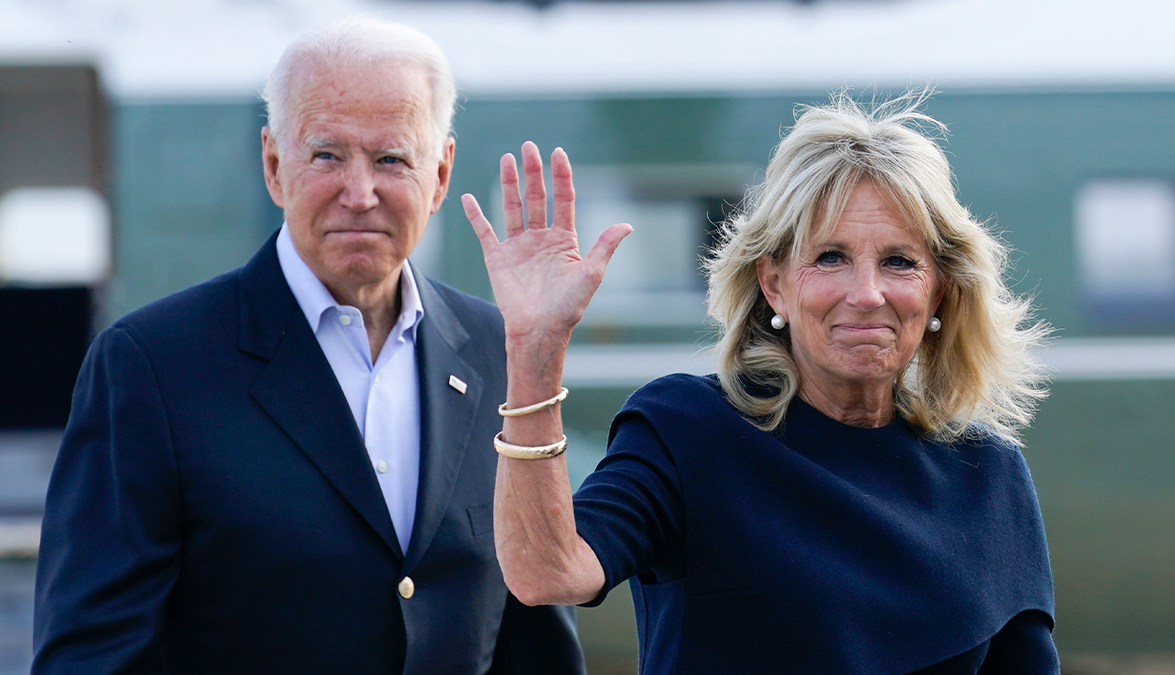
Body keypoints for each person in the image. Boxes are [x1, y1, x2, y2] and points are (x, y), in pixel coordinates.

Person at [33, 17, 584, 675]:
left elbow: (537, 636)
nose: (360, 193)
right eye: (327, 155)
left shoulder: (499, 351)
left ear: (439, 176)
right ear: (273, 165)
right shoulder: (150, 364)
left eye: (390, 159)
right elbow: (91, 655)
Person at [462, 91, 1057, 674]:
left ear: (939, 291)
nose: (867, 293)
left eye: (900, 262)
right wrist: (534, 351)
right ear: (774, 284)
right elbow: (548, 573)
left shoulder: (989, 473)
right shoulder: (687, 429)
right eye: (830, 258)